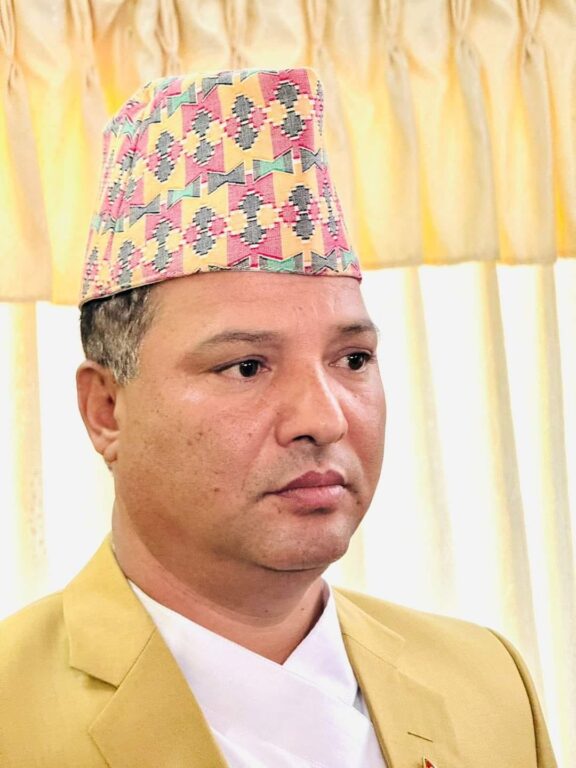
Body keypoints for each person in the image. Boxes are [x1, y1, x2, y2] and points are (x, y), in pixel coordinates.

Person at [0, 68, 557, 768]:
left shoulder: (485, 680)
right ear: (107, 411)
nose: (324, 419)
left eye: (353, 359)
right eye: (246, 367)